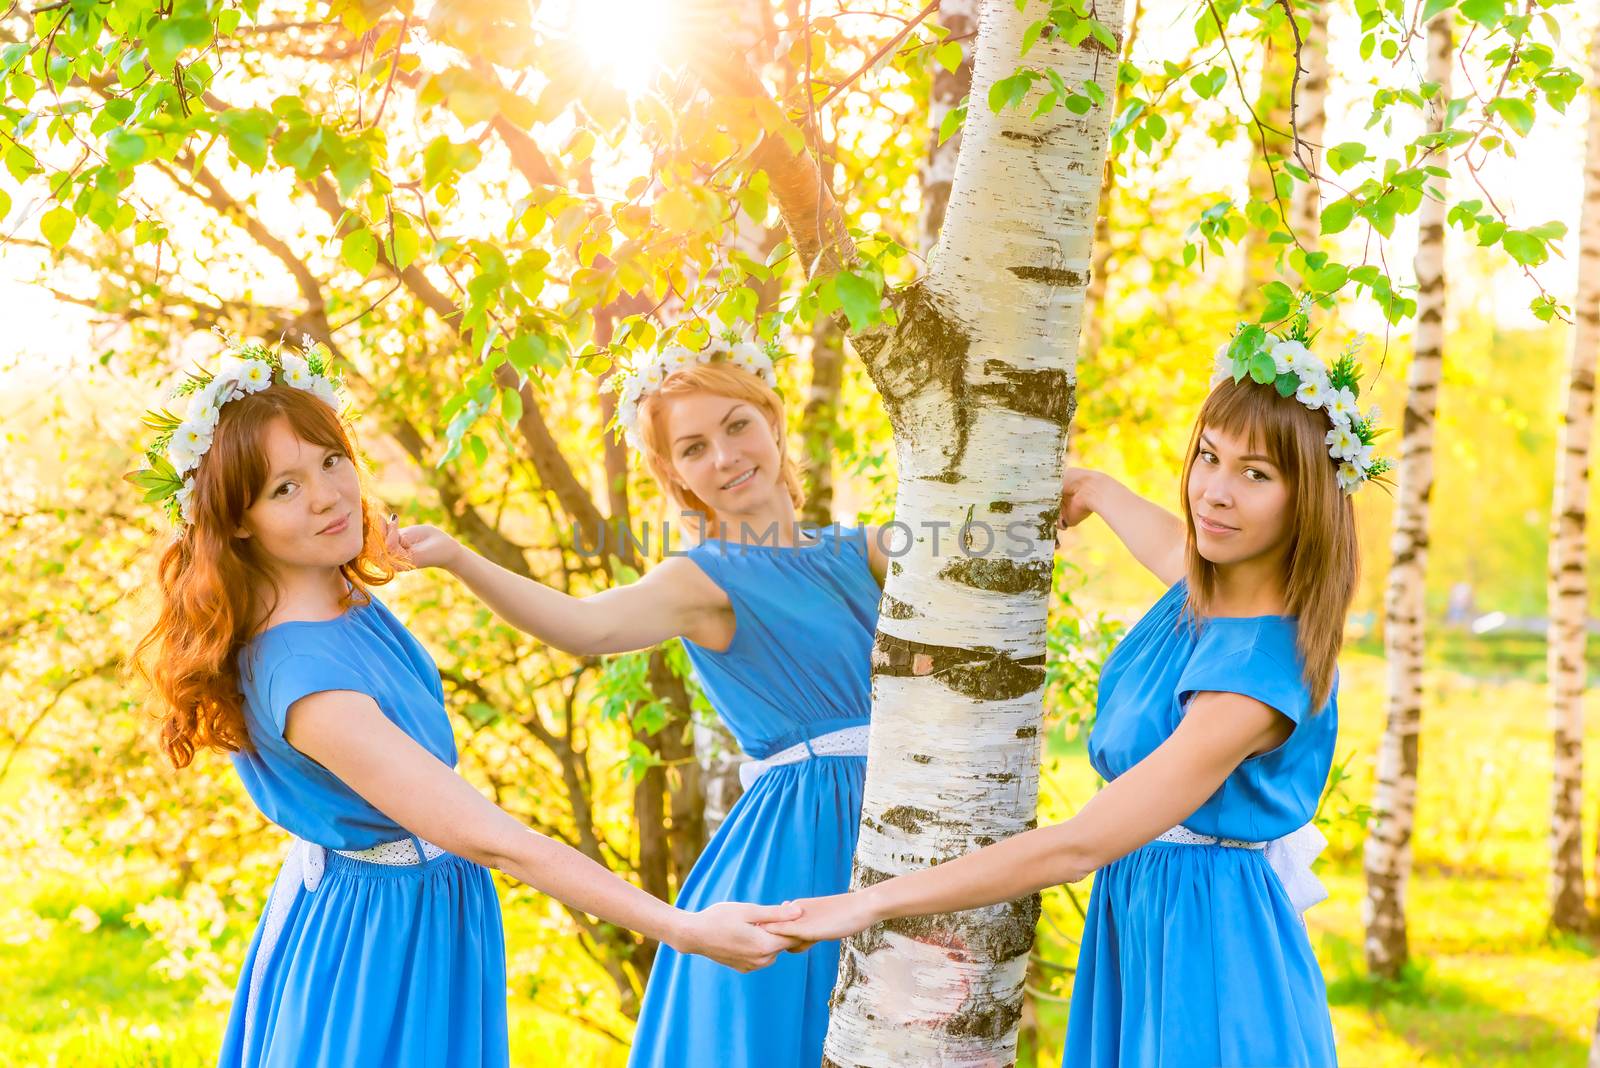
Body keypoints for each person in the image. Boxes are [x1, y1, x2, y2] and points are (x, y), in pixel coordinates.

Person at [130, 338, 796, 1068]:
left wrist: (437, 551)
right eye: (283, 489)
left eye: (331, 461)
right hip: (376, 941)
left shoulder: (342, 595)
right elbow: (494, 837)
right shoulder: (308, 683)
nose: (327, 495)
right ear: (236, 520)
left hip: (427, 909)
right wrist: (682, 927)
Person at [761, 328, 1387, 1066]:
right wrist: (1094, 488)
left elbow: (1079, 844)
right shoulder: (1209, 595)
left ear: (1306, 498)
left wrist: (867, 903)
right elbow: (1168, 544)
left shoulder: (1251, 679)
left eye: (1256, 475)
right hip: (1149, 917)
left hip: (1207, 948)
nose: (1214, 491)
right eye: (1208, 457)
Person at [393, 338, 889, 1068]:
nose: (723, 457)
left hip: (913, 809)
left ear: (774, 421)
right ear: (673, 474)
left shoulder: (863, 548)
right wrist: (463, 560)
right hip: (805, 835)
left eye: (736, 425)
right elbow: (584, 625)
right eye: (692, 448)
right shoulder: (702, 579)